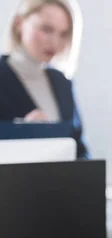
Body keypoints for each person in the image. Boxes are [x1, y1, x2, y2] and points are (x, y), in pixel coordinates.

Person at [0, 0, 89, 159]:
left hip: (61, 182)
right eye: (46, 29)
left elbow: (80, 150)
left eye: (63, 34)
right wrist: (19, 134)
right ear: (19, 23)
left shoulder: (62, 83)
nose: (54, 42)